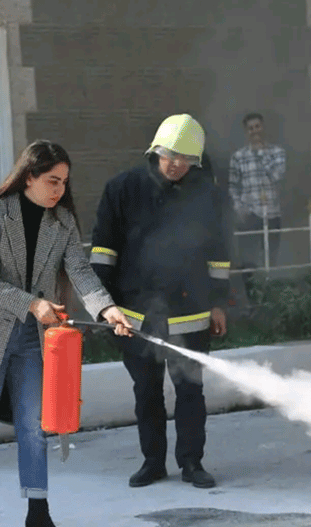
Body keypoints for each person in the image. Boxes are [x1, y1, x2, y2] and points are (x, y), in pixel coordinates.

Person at [0, 141, 133, 527]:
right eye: (51, 180)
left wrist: (106, 310)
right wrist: (34, 303)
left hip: (31, 337)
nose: (59, 189)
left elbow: (80, 269)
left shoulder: (61, 221)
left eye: (64, 182)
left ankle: (37, 517)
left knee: (33, 426)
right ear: (29, 177)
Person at [91, 114, 231, 489]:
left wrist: (219, 303)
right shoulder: (123, 189)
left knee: (190, 390)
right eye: (170, 156)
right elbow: (103, 252)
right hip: (135, 315)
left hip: (192, 313)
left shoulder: (207, 195)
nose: (177, 165)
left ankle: (192, 463)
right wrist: (104, 306)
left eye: (186, 159)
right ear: (155, 151)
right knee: (146, 390)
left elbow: (219, 254)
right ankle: (153, 462)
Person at [229, 112, 286, 288]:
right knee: (249, 259)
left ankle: (269, 292)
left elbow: (277, 177)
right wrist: (239, 207)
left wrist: (261, 153)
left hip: (272, 213)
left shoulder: (277, 153)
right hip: (250, 215)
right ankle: (252, 297)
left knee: (270, 258)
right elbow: (233, 186)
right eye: (250, 128)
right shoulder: (238, 157)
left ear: (263, 127)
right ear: (246, 132)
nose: (255, 131)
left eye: (257, 127)